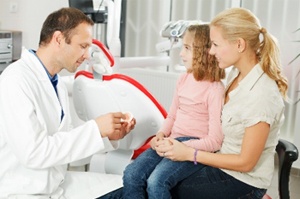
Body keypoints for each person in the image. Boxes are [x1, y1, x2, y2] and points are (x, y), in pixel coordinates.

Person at [0, 7, 135, 199]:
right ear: (58, 39)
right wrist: (95, 129)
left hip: (57, 184)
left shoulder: (56, 83)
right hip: (23, 190)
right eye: (83, 46)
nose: (88, 55)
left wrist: (107, 135)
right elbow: (34, 153)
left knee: (131, 184)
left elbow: (66, 149)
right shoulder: (15, 80)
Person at [155, 7, 288, 199]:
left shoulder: (261, 95)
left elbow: (245, 163)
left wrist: (189, 153)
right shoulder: (236, 74)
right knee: (145, 181)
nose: (210, 51)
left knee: (161, 187)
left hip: (242, 180)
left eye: (216, 44)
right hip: (219, 161)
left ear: (239, 45)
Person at [121, 24, 225, 199]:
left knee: (156, 182)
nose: (181, 54)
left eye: (187, 48)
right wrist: (160, 134)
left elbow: (215, 141)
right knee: (131, 174)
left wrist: (182, 146)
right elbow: (172, 115)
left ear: (203, 53)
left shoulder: (215, 89)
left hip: (194, 145)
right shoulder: (183, 79)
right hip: (172, 140)